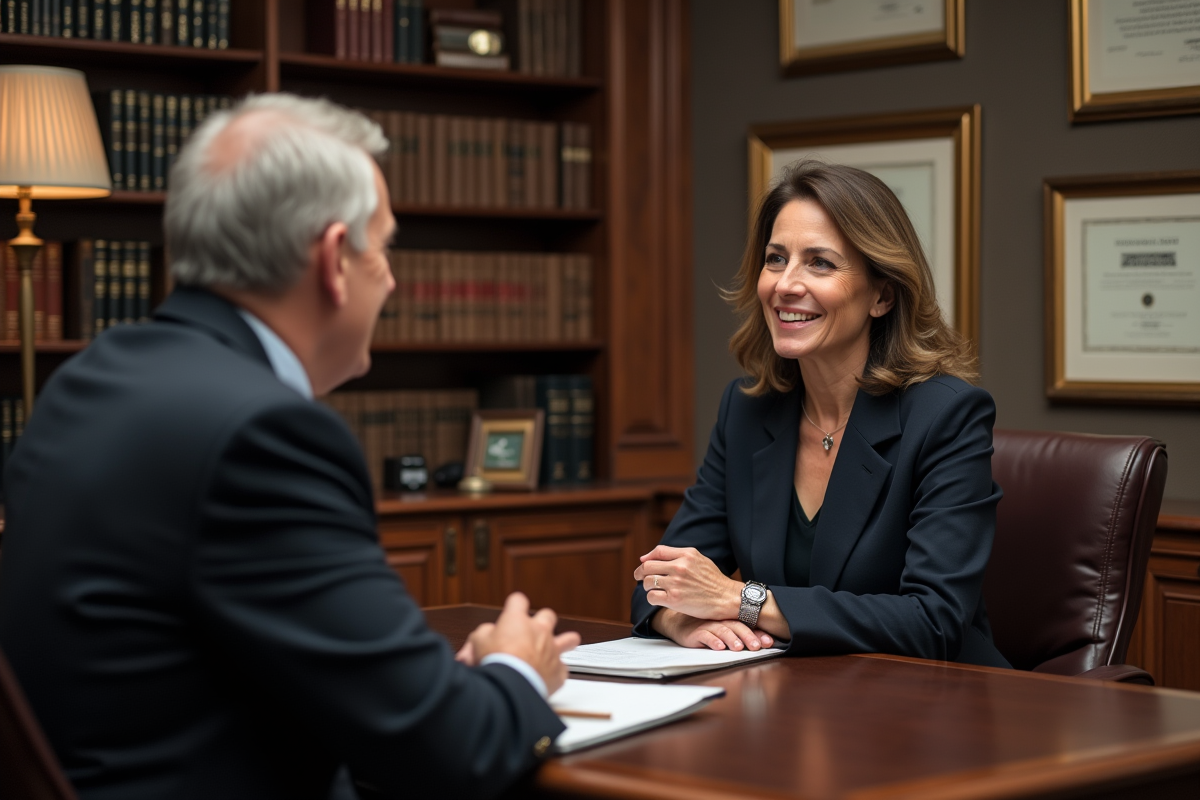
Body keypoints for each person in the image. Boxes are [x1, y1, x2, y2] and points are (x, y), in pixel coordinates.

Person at [0, 94, 580, 800]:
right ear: (336, 258)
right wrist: (518, 669)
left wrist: (417, 685)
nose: (393, 280)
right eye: (386, 248)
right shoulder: (264, 434)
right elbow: (453, 752)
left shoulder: (88, 378)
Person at [631, 160, 1009, 668]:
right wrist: (679, 618)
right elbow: (656, 579)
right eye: (775, 258)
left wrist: (743, 602)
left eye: (821, 263)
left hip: (931, 710)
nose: (786, 284)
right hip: (797, 700)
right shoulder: (745, 410)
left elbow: (932, 621)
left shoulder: (947, 417)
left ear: (883, 294)